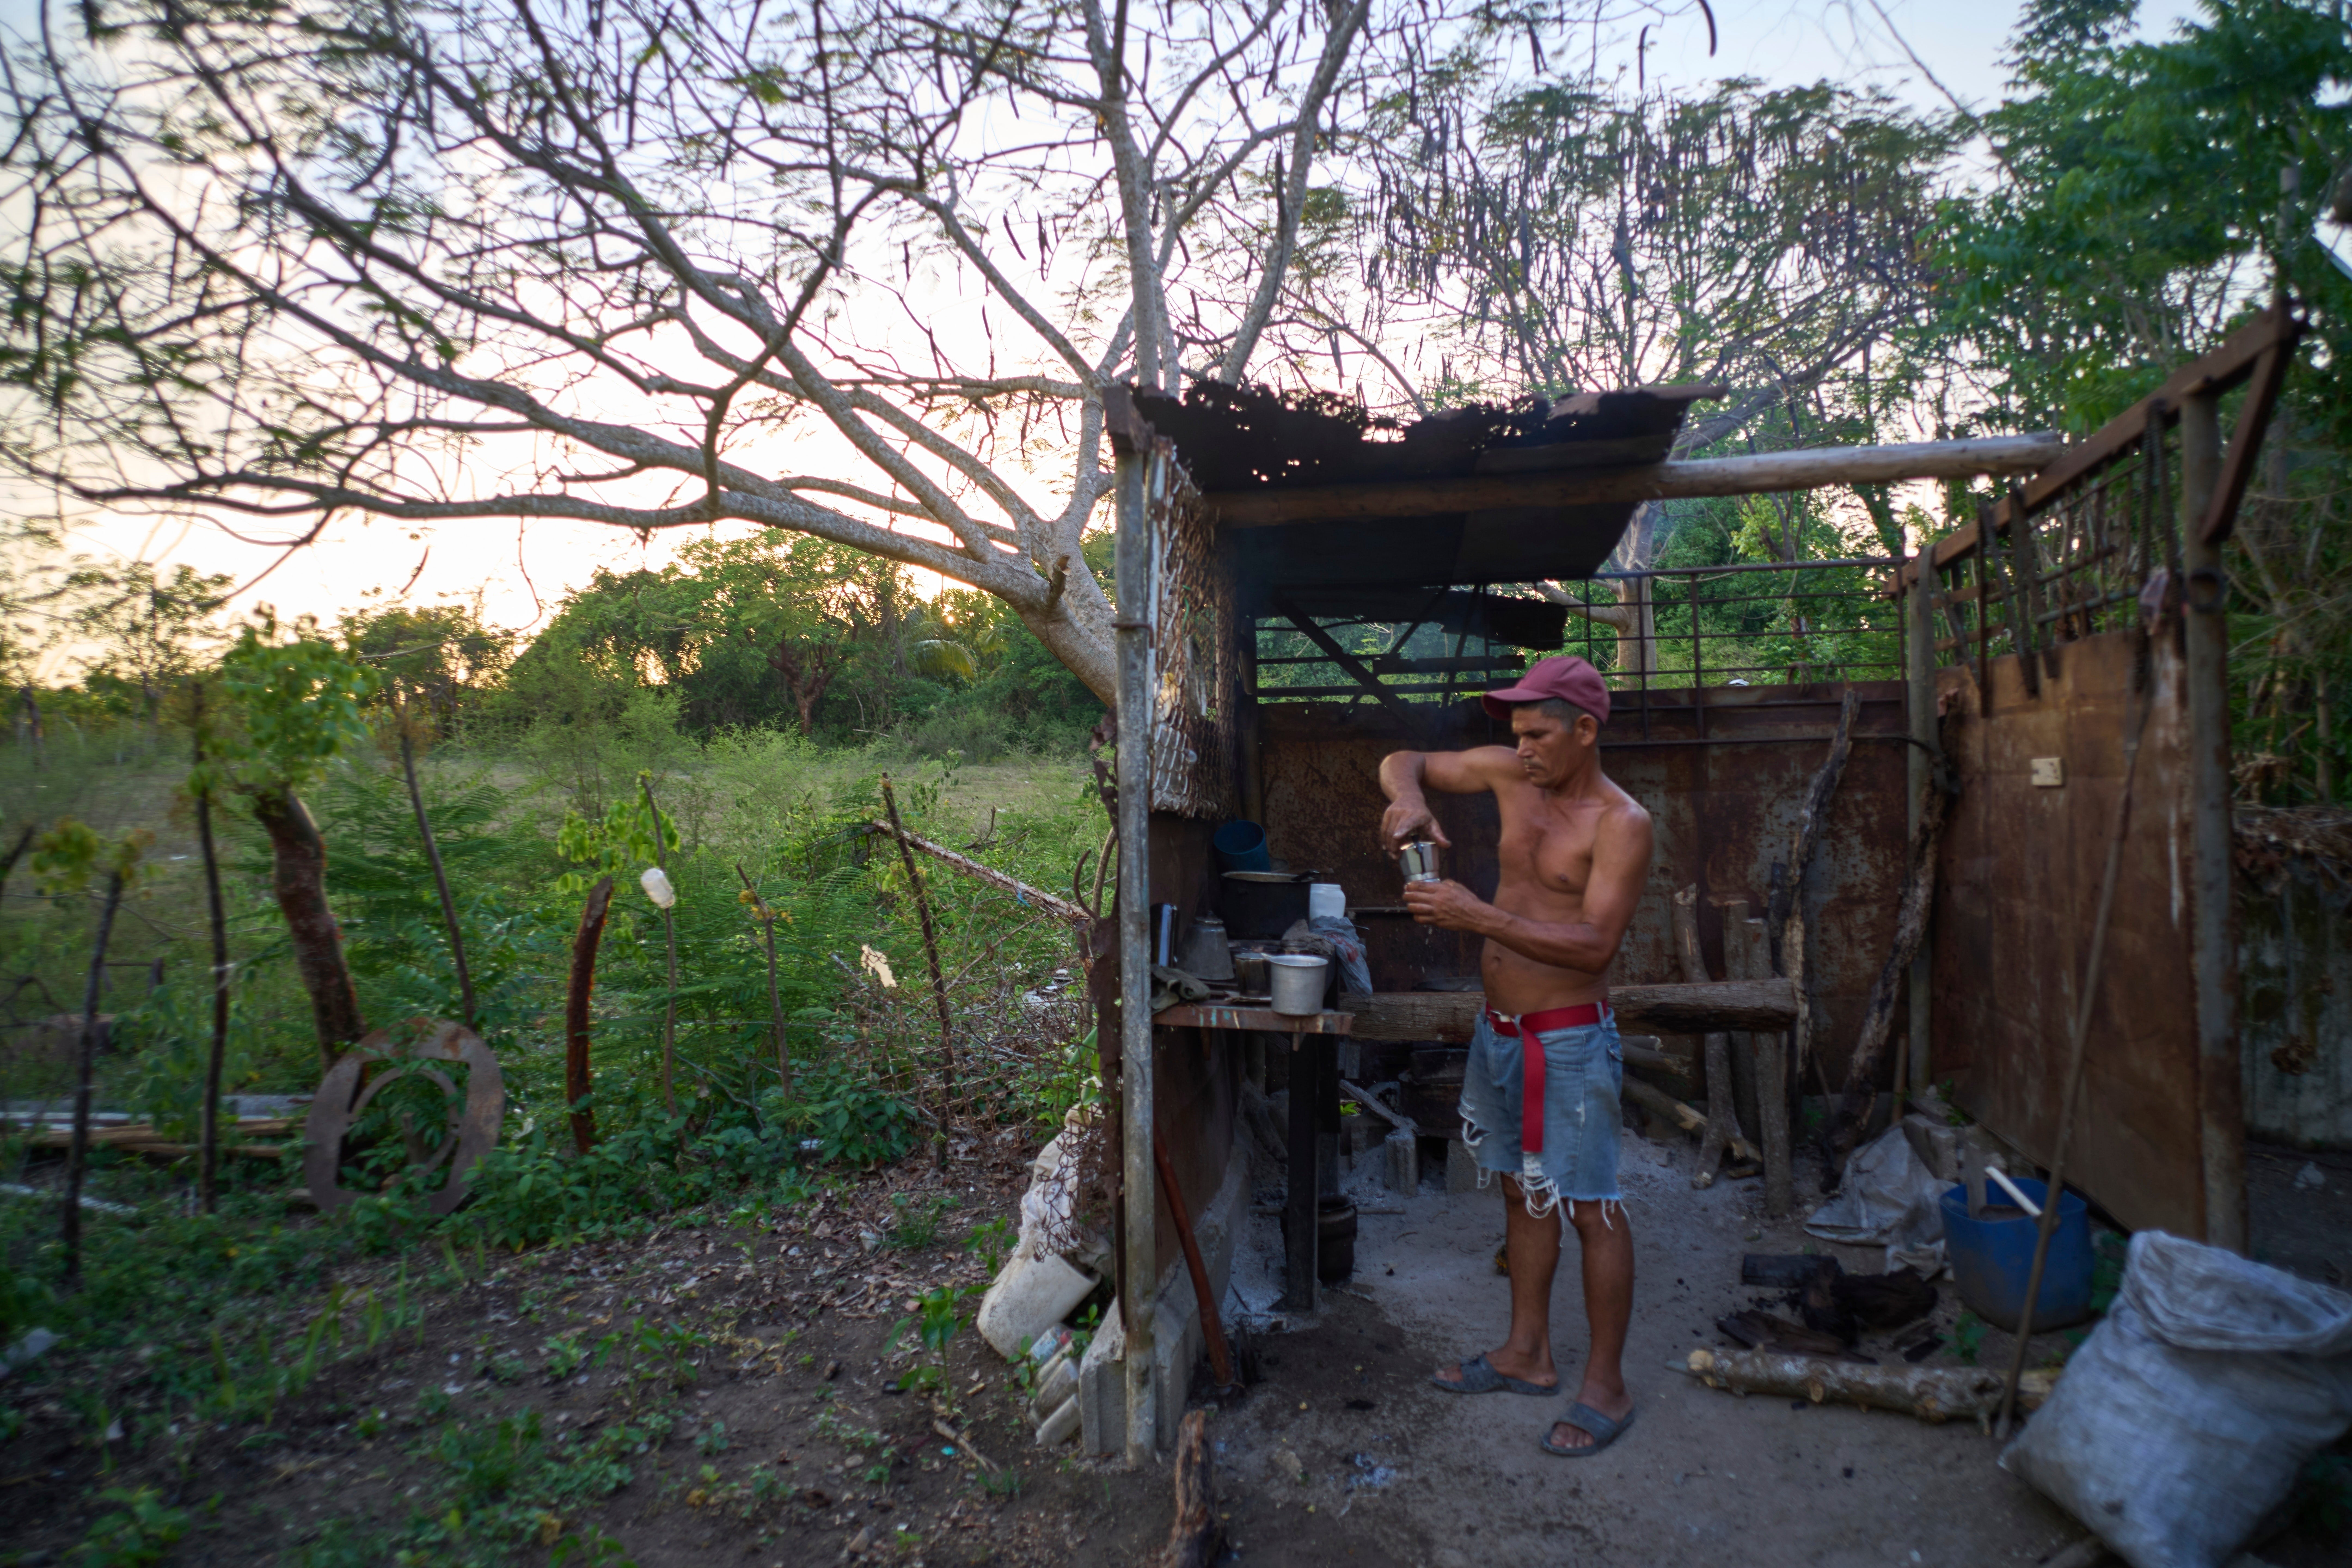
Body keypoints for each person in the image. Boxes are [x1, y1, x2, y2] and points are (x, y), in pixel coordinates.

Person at [1377, 653, 1653, 1457]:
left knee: (1593, 1207)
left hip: (1569, 1037)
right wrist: (1407, 801)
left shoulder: (1621, 823)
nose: (1522, 748)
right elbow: (1407, 760)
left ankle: (1608, 1384)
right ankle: (1527, 1354)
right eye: (1517, 734)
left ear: (1586, 730)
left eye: (1537, 734)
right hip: (1499, 1031)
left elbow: (1595, 945)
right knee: (1518, 1194)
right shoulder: (1509, 775)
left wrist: (1476, 915)